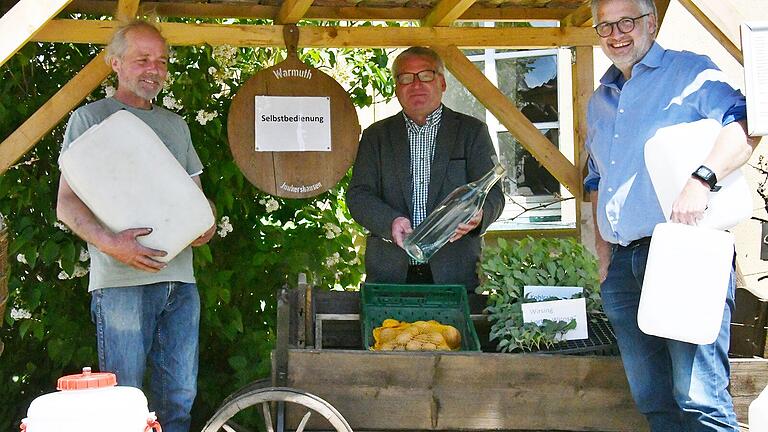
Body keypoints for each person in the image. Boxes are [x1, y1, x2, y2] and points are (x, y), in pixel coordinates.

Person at [584, 0, 760, 430]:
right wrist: (604, 256)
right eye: (604, 25)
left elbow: (747, 125)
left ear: (652, 22)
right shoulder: (599, 100)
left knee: (699, 397)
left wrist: (702, 179)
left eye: (626, 21)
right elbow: (595, 179)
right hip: (624, 267)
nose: (616, 33)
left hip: (685, 253)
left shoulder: (689, 71)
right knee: (653, 400)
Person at [56, 20, 215, 432]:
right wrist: (113, 244)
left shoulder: (176, 126)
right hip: (120, 282)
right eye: (142, 58)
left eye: (161, 60)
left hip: (181, 281)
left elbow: (198, 202)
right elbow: (66, 205)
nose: (154, 68)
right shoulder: (90, 120)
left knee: (178, 401)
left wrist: (205, 226)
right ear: (115, 64)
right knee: (123, 405)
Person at [346, 46, 504, 291]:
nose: (416, 85)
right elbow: (359, 195)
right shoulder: (376, 136)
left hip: (455, 274)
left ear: (442, 82)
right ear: (396, 87)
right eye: (406, 78)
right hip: (390, 274)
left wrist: (480, 215)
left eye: (425, 75)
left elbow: (494, 195)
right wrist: (391, 222)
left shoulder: (472, 132)